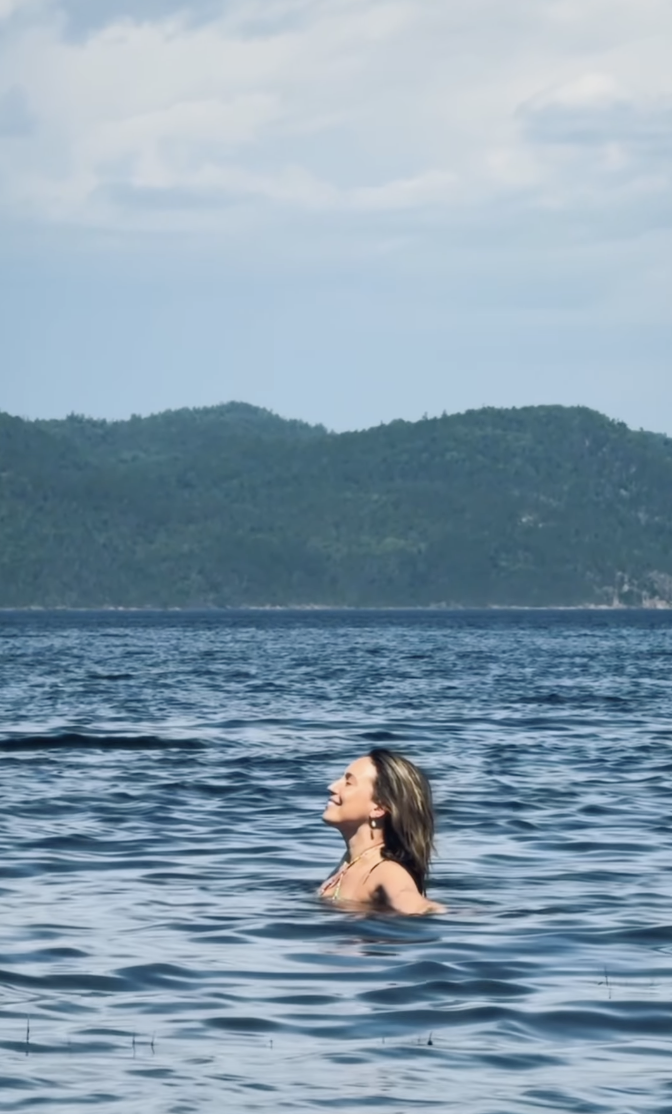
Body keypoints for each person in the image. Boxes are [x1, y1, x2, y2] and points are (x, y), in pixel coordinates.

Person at [319, 747, 445, 914]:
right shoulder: (350, 862)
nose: (332, 786)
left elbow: (416, 904)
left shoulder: (387, 871)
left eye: (348, 783)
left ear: (379, 807)